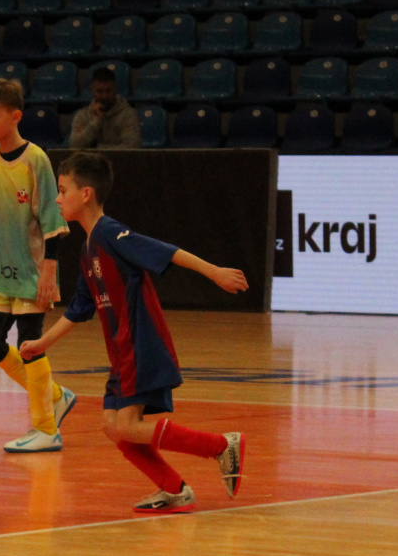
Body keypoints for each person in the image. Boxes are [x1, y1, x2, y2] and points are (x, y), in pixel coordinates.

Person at [19, 151, 247, 514]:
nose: (57, 199)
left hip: (141, 343)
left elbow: (167, 252)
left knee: (126, 424)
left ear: (86, 194)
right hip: (122, 351)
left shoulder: (110, 233)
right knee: (113, 426)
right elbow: (78, 310)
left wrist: (215, 272)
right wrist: (42, 343)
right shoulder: (88, 248)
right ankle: (174, 489)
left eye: (62, 191)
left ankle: (221, 445)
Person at [0, 77, 78, 454]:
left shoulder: (36, 160)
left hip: (34, 270)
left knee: (29, 345)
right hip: (3, 272)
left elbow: (52, 220)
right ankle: (56, 396)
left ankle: (46, 429)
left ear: (15, 116)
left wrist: (49, 271)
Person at [67, 65, 142, 150]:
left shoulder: (128, 115)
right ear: (92, 90)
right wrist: (96, 121)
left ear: (116, 88)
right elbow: (74, 146)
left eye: (108, 90)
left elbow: (132, 147)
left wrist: (98, 148)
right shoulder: (82, 116)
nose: (104, 96)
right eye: (99, 91)